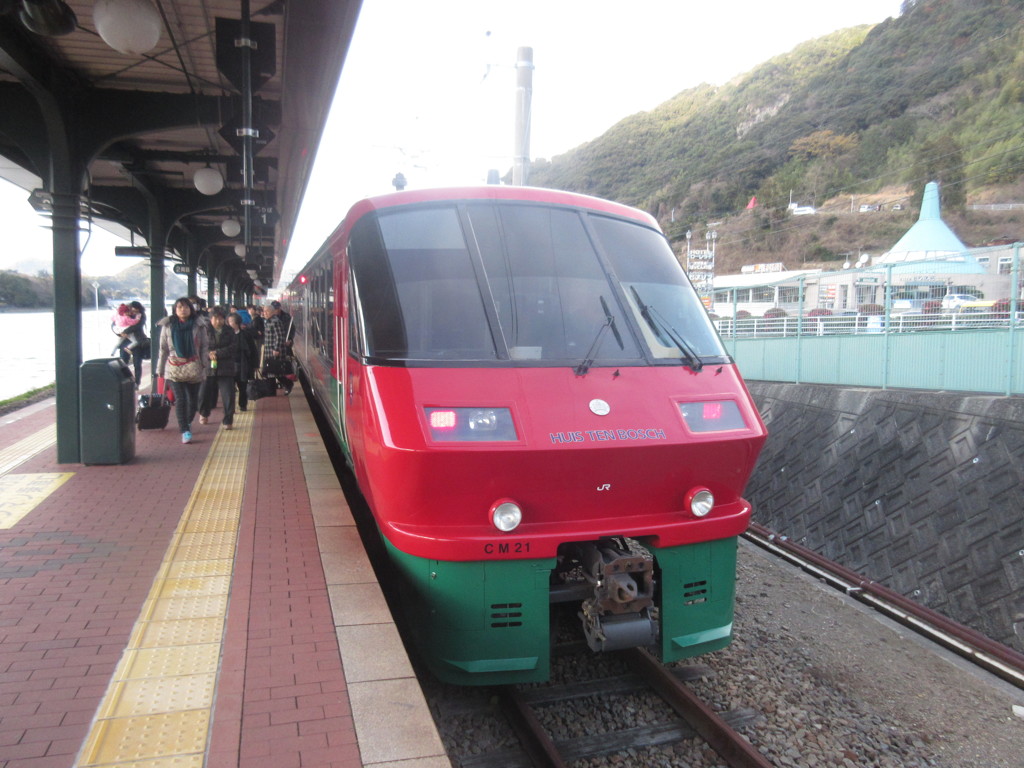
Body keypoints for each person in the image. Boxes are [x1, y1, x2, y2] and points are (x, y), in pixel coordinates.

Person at [157, 297, 209, 444]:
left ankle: (187, 422)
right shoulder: (168, 325)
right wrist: (160, 369)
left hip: (194, 366)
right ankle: (184, 430)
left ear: (191, 309)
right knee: (180, 399)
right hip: (174, 367)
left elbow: (204, 346)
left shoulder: (199, 325)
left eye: (186, 307)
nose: (183, 310)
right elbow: (163, 349)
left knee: (193, 401)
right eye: (179, 307)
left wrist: (204, 365)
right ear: (175, 309)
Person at [198, 307, 239, 430]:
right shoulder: (204, 330)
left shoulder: (229, 331)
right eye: (215, 318)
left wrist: (217, 353)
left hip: (226, 367)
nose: (218, 321)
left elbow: (233, 347)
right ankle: (204, 413)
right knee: (204, 393)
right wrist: (209, 354)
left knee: (228, 395)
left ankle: (228, 420)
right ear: (210, 319)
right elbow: (200, 346)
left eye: (221, 318)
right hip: (208, 367)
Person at [228, 311, 258, 412]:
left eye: (231, 321)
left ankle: (243, 404)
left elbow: (253, 350)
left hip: (243, 365)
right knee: (229, 389)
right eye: (228, 321)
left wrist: (255, 364)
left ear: (237, 323)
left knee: (243, 386)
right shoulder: (226, 335)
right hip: (229, 366)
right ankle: (230, 408)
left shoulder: (245, 335)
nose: (229, 323)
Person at [262, 301, 292, 394]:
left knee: (277, 371)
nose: (264, 313)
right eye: (264, 311)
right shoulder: (268, 321)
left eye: (267, 311)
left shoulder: (276, 322)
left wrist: (276, 349)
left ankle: (288, 383)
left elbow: (279, 336)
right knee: (270, 371)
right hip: (269, 350)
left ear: (272, 312)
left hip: (275, 351)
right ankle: (271, 391)